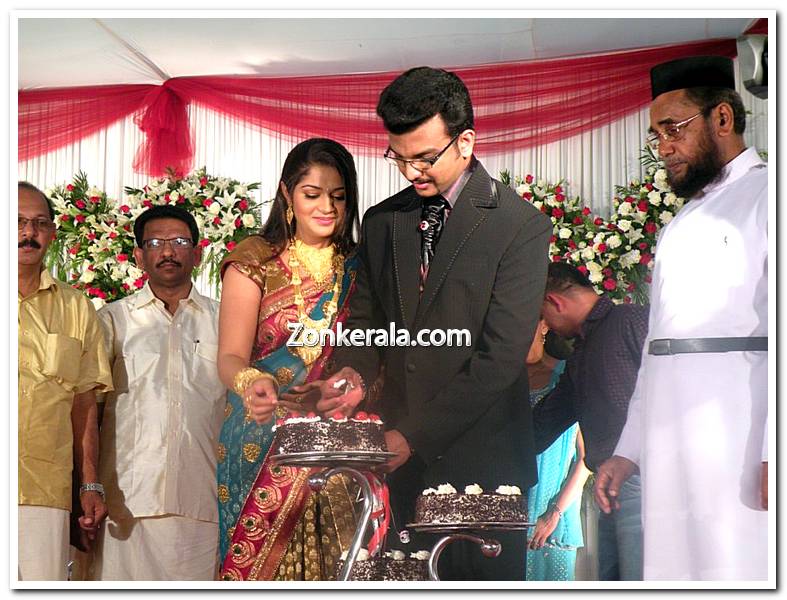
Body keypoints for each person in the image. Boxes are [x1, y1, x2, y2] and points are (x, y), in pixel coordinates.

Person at [301, 67, 552, 580]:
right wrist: (352, 374)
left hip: (483, 467)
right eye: (399, 157)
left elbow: (501, 357)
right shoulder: (382, 221)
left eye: (425, 157)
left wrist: (412, 434)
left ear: (466, 140)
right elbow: (366, 323)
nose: (412, 172)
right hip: (400, 463)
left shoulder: (519, 225)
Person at [594, 55, 768, 581]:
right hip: (671, 438)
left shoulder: (768, 196)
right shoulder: (683, 220)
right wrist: (629, 449)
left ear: (722, 118)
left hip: (738, 432)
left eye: (674, 128)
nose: (664, 146)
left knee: (738, 566)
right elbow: (658, 347)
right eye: (656, 135)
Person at [215, 138, 362, 581]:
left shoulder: (359, 265)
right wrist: (250, 384)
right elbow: (229, 355)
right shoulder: (254, 260)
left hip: (337, 439)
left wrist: (348, 385)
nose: (327, 209)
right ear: (286, 194)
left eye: (338, 197)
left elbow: (374, 351)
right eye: (311, 195)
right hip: (261, 435)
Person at [89, 205, 226, 580]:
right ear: (138, 255)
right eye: (155, 243)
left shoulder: (226, 320)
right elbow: (89, 413)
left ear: (198, 252)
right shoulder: (111, 321)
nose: (168, 252)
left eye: (179, 242)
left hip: (203, 499)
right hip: (127, 505)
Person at [18, 181, 112, 580]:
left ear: (52, 235)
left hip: (45, 485)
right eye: (18, 222)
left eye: (39, 223)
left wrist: (90, 484)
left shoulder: (76, 306)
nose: (28, 233)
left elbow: (84, 402)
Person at [533, 262, 648, 580]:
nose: (546, 325)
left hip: (642, 479)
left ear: (555, 302)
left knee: (643, 580)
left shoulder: (631, 320)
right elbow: (544, 423)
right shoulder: (581, 353)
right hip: (607, 487)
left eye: (543, 315)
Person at [525, 320, 590, 581]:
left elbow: (587, 459)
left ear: (543, 324)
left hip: (554, 515)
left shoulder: (567, 375)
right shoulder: (504, 378)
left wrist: (554, 512)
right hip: (512, 512)